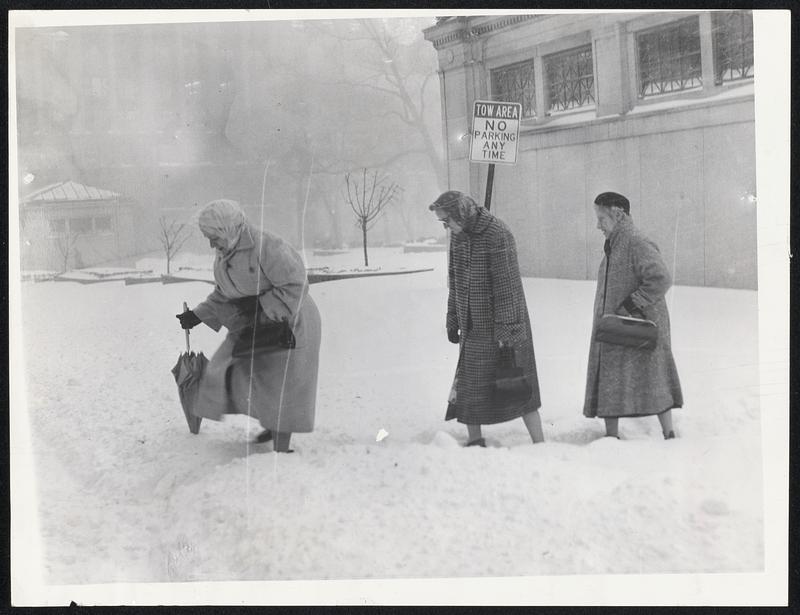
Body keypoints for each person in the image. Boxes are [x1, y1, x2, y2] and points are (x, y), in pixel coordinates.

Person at [175, 199, 321, 453]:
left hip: (289, 320)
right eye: (207, 238)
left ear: (228, 229)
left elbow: (296, 285)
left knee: (280, 385)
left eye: (213, 237)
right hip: (254, 322)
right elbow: (223, 294)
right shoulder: (223, 256)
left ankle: (281, 446)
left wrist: (260, 306)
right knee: (232, 372)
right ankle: (270, 421)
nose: (211, 244)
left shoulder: (268, 247)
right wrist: (198, 315)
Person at [429, 190, 544, 447]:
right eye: (442, 223)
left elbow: (508, 287)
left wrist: (507, 335)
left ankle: (540, 444)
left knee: (518, 386)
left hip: (502, 327)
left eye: (447, 220)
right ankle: (475, 441)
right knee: (471, 389)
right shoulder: (458, 238)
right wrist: (453, 319)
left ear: (461, 213)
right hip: (473, 329)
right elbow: (455, 282)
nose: (446, 227)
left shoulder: (497, 234)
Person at [583, 191, 683, 439]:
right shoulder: (616, 243)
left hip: (638, 325)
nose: (598, 225)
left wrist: (630, 305)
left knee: (654, 376)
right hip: (619, 326)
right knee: (614, 377)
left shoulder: (636, 242)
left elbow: (661, 279)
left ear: (618, 216)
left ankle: (669, 433)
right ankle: (612, 436)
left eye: (602, 219)